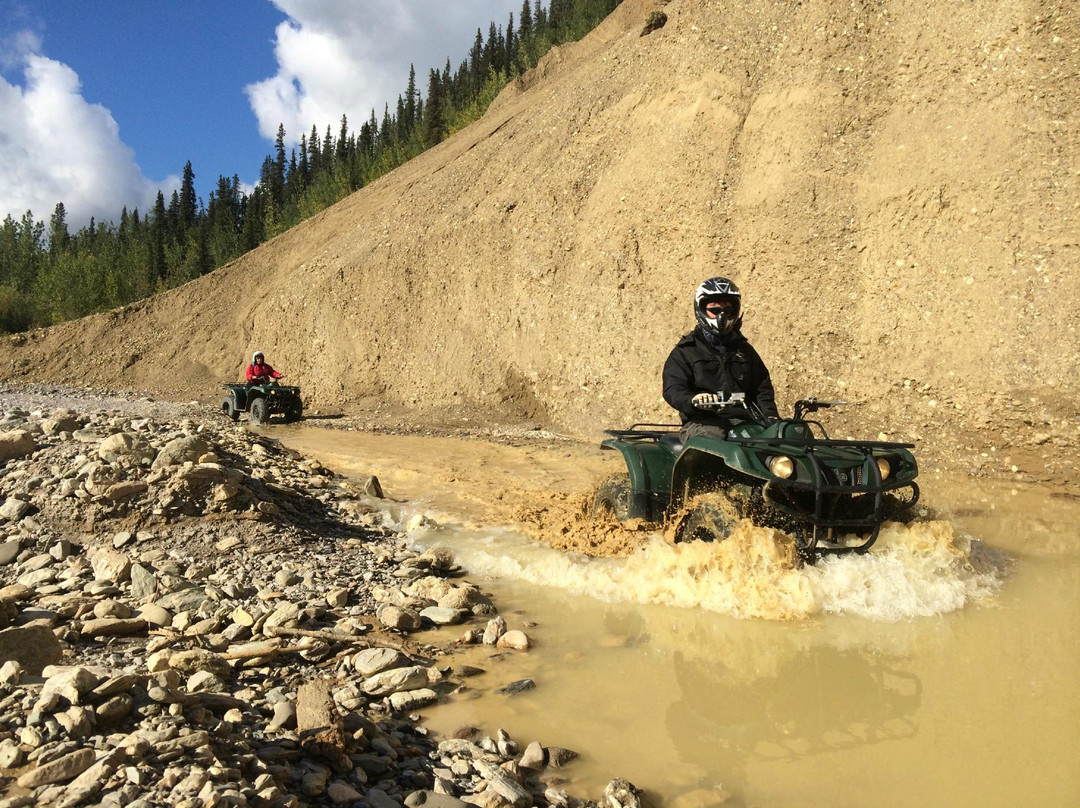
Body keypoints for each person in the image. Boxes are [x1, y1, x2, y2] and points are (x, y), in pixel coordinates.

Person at [662, 276, 778, 440]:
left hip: (746, 422)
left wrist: (771, 417)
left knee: (789, 436)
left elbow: (762, 388)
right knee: (713, 443)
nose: (721, 315)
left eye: (727, 310)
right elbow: (673, 389)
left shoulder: (744, 350)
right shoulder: (686, 351)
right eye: (715, 310)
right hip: (704, 423)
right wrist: (693, 400)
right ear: (700, 309)